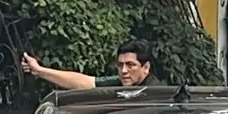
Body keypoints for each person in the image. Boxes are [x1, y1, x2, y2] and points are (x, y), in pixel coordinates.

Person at [22, 40, 163, 89]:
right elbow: (84, 82)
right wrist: (39, 70)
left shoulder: (158, 94)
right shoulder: (121, 83)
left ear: (146, 67)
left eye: (130, 65)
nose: (124, 71)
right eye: (120, 65)